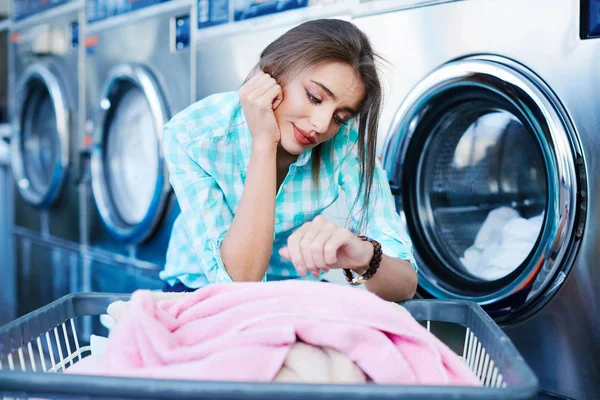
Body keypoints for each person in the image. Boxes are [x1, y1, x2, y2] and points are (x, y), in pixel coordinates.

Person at [160, 19, 417, 302]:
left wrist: (363, 254)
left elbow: (405, 284)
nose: (321, 125)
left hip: (292, 291)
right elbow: (240, 281)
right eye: (314, 97)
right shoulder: (194, 135)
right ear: (270, 74)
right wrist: (263, 144)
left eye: (339, 117)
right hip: (199, 291)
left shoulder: (346, 141)